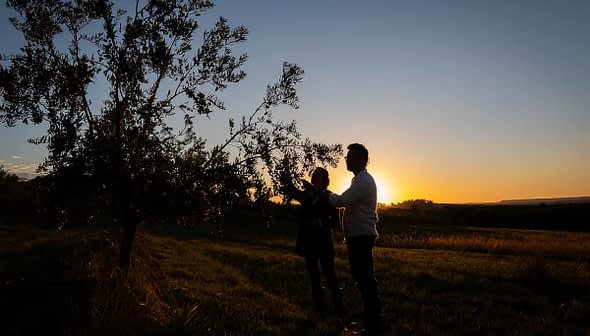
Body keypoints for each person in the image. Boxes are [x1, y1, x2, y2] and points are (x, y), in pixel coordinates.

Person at [328, 143, 382, 335]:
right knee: (364, 278)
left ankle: (373, 325)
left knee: (365, 279)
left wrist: (325, 194)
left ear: (361, 160)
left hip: (361, 236)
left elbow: (341, 201)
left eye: (350, 157)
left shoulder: (363, 182)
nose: (347, 160)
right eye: (347, 157)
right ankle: (371, 322)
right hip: (358, 236)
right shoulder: (359, 180)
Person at [286, 167, 344, 319]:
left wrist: (322, 223)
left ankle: (339, 310)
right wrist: (285, 172)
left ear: (325, 179)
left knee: (330, 277)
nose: (315, 177)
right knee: (314, 278)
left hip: (324, 243)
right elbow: (291, 191)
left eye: (319, 175)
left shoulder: (329, 197)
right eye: (314, 174)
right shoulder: (306, 195)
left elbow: (336, 223)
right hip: (309, 242)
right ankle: (320, 310)